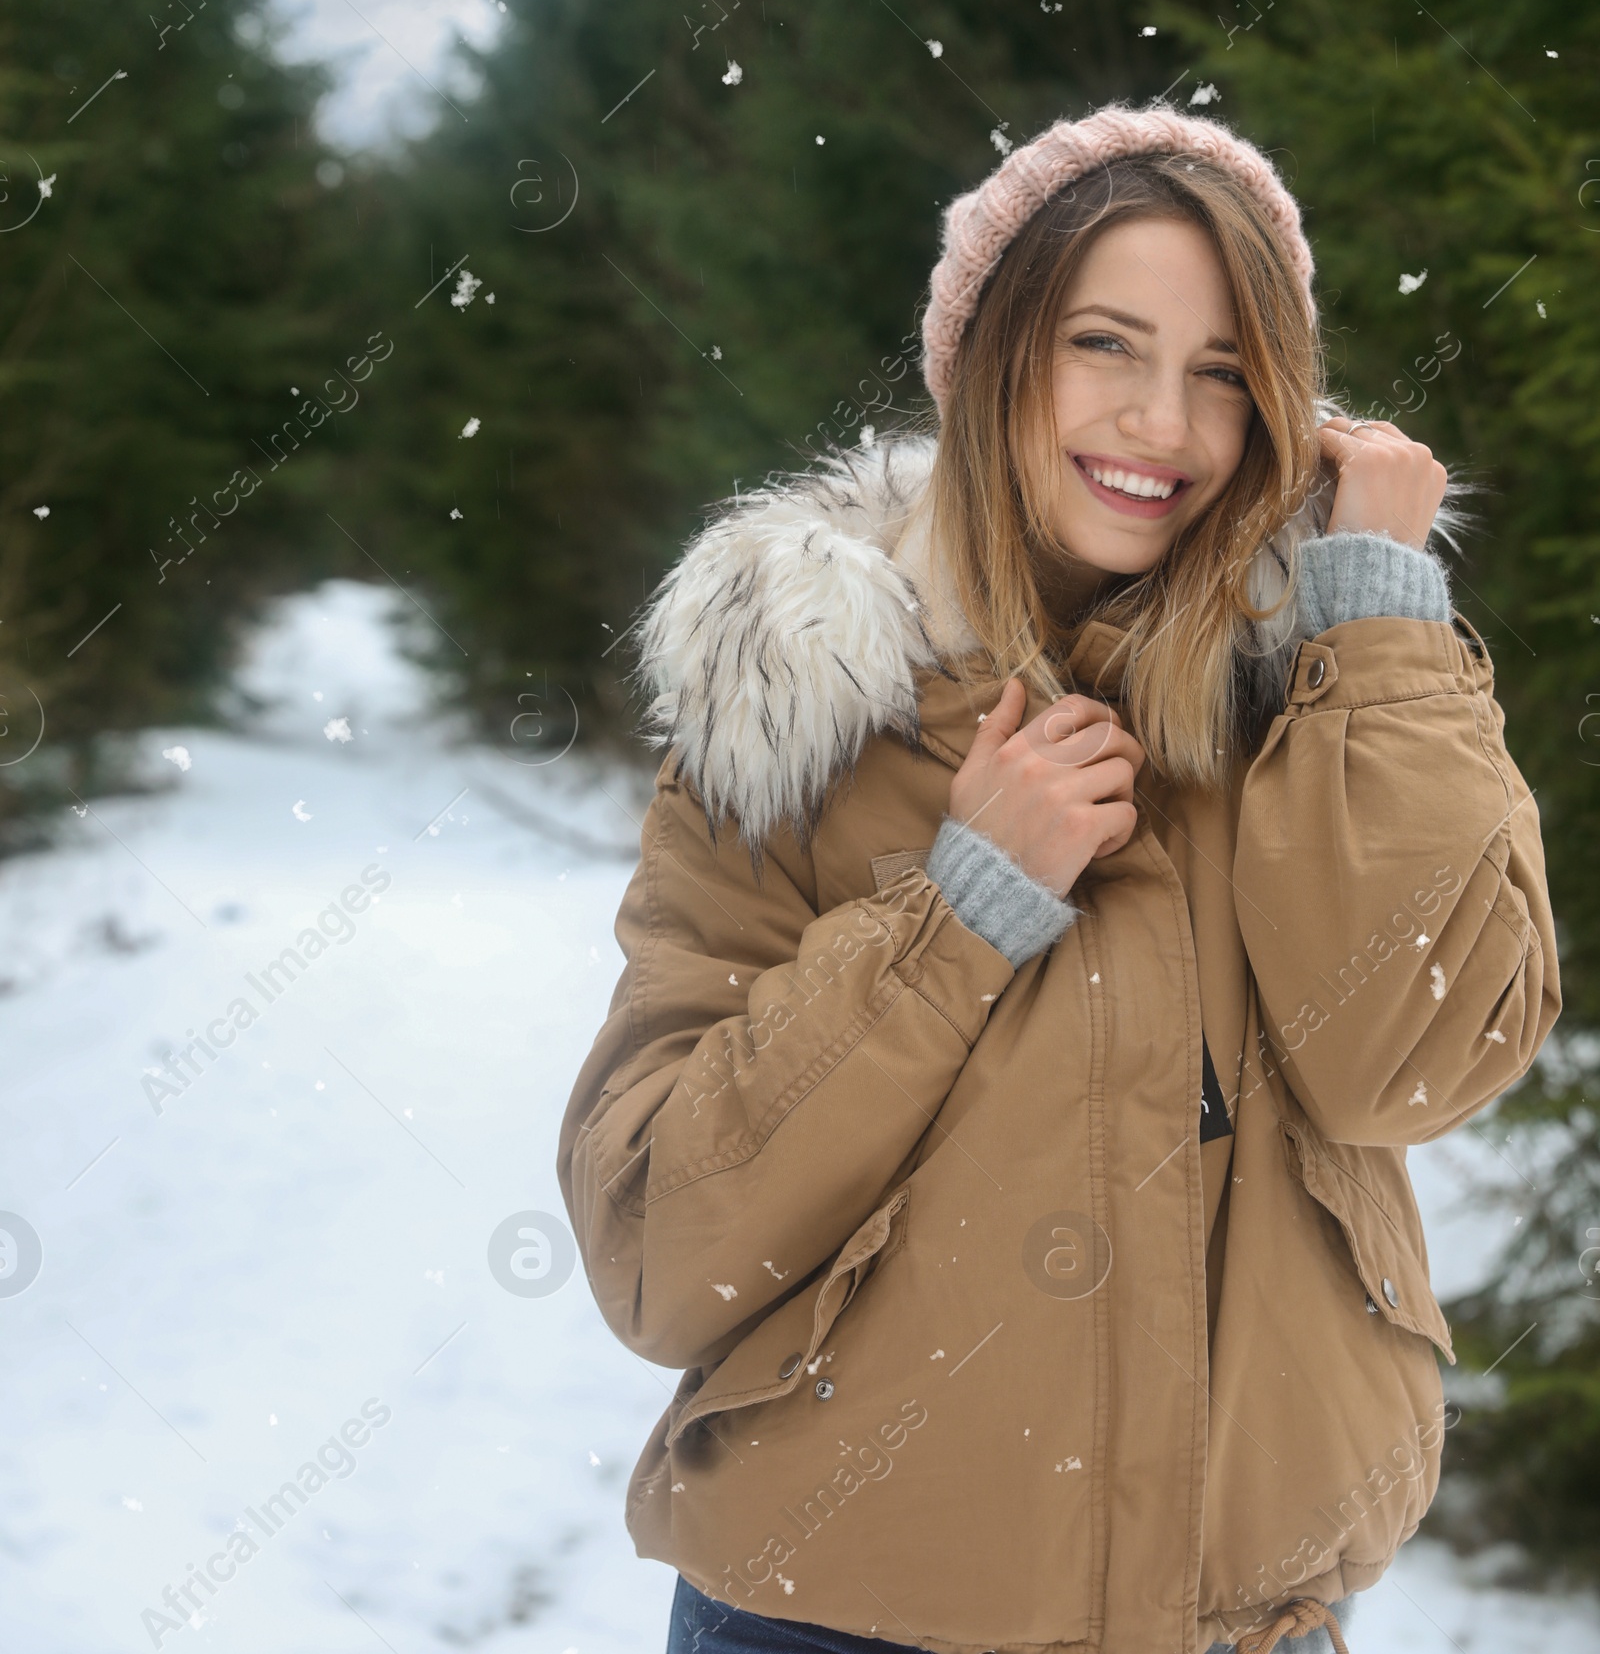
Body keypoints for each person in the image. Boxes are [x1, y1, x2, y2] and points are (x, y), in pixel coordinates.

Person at [558, 102, 1558, 1654]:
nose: (1162, 424)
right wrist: (959, 911)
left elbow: (1407, 1065)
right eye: (1106, 343)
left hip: (1249, 1627)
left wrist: (1382, 624)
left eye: (1223, 371)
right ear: (994, 353)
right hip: (837, 1626)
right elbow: (661, 1252)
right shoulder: (809, 711)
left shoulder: (1328, 691)